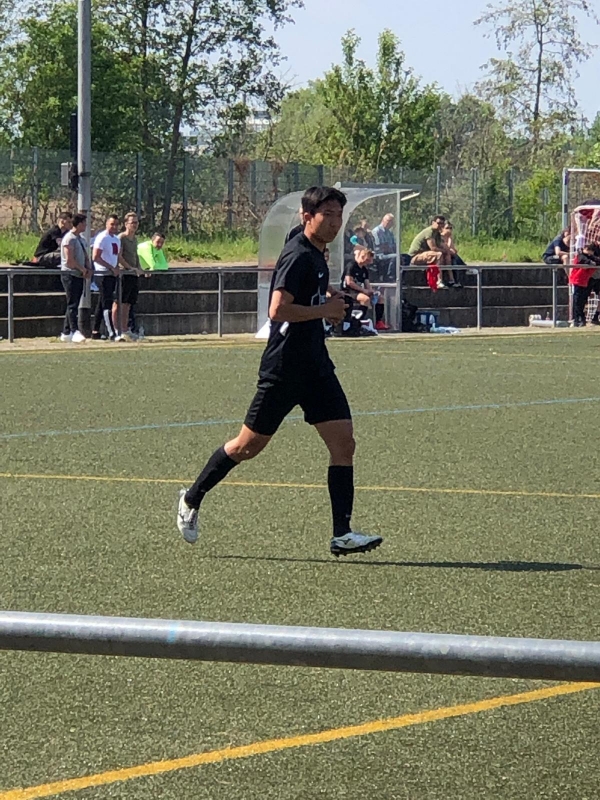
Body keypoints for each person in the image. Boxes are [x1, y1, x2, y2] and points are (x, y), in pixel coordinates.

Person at [176, 185, 383, 557]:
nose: (335, 223)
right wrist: (324, 311)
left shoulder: (314, 250)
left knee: (344, 444)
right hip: (284, 368)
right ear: (307, 216)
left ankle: (342, 533)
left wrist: (332, 296)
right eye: (327, 215)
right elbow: (277, 310)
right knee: (246, 447)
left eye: (339, 215)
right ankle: (191, 498)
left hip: (316, 367)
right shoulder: (297, 255)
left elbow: (311, 286)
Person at [59, 213, 92, 343]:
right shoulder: (69, 239)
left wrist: (88, 267)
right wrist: (82, 269)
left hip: (79, 275)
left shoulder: (81, 239)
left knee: (74, 303)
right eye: (84, 223)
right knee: (72, 304)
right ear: (78, 224)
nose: (86, 226)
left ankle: (66, 331)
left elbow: (85, 256)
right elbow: (69, 261)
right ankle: (74, 330)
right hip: (70, 275)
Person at [91, 214, 124, 341]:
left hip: (111, 274)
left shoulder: (116, 239)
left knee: (102, 301)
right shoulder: (102, 238)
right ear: (106, 224)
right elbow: (96, 257)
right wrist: (110, 267)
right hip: (102, 274)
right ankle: (112, 333)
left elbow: (116, 256)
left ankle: (95, 330)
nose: (114, 227)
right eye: (112, 224)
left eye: (116, 224)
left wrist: (116, 267)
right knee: (107, 303)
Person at [342, 245, 389, 331]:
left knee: (381, 298)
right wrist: (364, 290)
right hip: (348, 291)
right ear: (362, 256)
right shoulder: (351, 266)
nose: (368, 263)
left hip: (359, 291)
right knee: (365, 299)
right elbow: (349, 282)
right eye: (367, 260)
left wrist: (372, 291)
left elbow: (367, 283)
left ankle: (378, 322)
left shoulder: (364, 269)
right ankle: (357, 322)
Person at [118, 212, 149, 339]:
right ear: (126, 224)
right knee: (122, 303)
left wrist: (140, 269)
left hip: (133, 274)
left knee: (129, 303)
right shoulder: (121, 238)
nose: (135, 225)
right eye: (132, 222)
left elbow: (135, 256)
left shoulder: (134, 239)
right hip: (124, 274)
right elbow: (119, 257)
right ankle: (120, 329)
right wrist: (130, 268)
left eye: (136, 222)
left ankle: (126, 328)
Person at [408, 215, 456, 289]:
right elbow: (433, 248)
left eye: (442, 224)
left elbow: (442, 246)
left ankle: (451, 280)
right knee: (439, 254)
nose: (440, 225)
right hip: (416, 256)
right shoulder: (429, 232)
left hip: (427, 254)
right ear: (433, 222)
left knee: (447, 255)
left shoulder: (437, 233)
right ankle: (439, 281)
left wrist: (449, 249)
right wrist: (445, 251)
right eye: (438, 223)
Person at [570, 243, 600, 327]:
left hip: (584, 282)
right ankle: (577, 320)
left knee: (582, 301)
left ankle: (581, 319)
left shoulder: (590, 257)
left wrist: (594, 261)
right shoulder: (580, 256)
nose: (591, 253)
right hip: (577, 281)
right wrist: (591, 262)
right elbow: (584, 260)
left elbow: (596, 260)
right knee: (577, 301)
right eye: (589, 251)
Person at [371, 213, 397, 281]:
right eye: (388, 221)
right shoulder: (376, 231)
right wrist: (387, 248)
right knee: (396, 257)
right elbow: (377, 246)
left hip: (391, 253)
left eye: (392, 222)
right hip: (380, 255)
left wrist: (393, 249)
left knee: (405, 257)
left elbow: (394, 245)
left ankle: (402, 278)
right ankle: (389, 277)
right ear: (383, 220)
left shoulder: (390, 233)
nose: (390, 223)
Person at [440, 221, 464, 288]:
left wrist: (453, 250)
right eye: (447, 228)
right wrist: (450, 239)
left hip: (450, 256)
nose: (449, 230)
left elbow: (453, 249)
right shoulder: (440, 237)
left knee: (454, 260)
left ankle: (456, 281)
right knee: (453, 261)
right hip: (443, 257)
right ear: (442, 229)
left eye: (450, 228)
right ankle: (464, 268)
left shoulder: (449, 237)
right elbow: (447, 249)